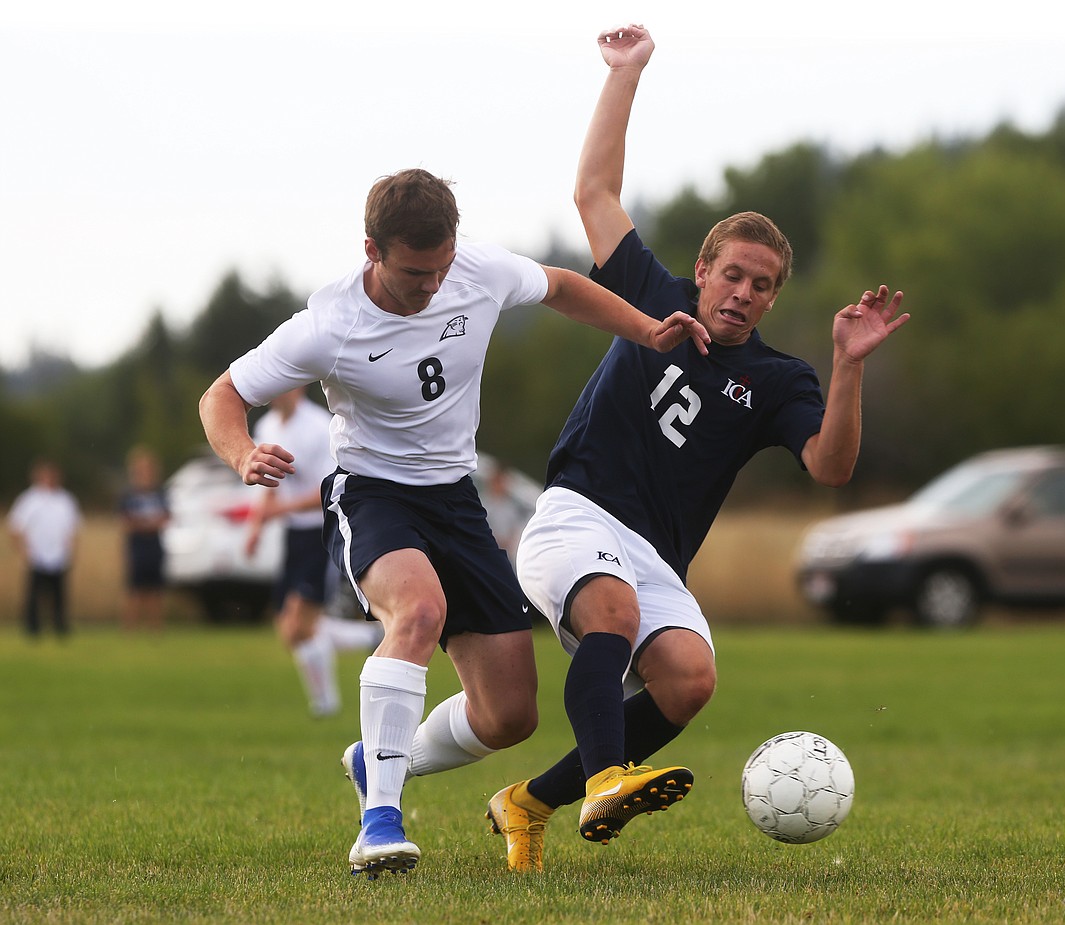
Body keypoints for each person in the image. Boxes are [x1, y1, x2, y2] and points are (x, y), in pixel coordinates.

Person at [198, 167, 710, 878]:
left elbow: (561, 285)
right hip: (373, 491)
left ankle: (377, 758)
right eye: (414, 273)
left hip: (455, 500)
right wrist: (243, 451)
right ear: (371, 249)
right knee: (419, 610)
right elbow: (223, 394)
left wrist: (648, 331)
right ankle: (378, 822)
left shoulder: (478, 271)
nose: (432, 286)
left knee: (508, 715)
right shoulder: (328, 324)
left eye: (440, 269)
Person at [486, 24, 910, 873]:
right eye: (733, 275)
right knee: (613, 612)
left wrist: (847, 365)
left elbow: (831, 466)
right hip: (574, 517)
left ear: (773, 295)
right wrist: (625, 73)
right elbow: (595, 192)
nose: (744, 293)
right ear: (703, 269)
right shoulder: (653, 294)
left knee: (687, 681)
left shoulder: (781, 379)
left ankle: (527, 802)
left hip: (655, 555)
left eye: (762, 284)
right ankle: (609, 774)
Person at [243, 386, 383, 717]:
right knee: (289, 627)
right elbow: (268, 486)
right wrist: (256, 527)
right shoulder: (266, 428)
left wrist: (281, 509)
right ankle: (369, 637)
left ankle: (326, 703)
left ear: (299, 387)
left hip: (320, 533)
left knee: (299, 624)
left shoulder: (320, 427)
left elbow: (327, 489)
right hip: (292, 535)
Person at [7, 460, 82, 638]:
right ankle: (32, 628)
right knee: (34, 594)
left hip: (59, 555)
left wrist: (71, 551)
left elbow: (73, 529)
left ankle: (60, 627)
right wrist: (23, 551)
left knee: (59, 595)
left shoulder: (66, 500)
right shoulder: (29, 500)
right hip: (36, 555)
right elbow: (15, 528)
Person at [119, 446, 170, 631]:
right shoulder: (128, 495)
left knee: (156, 589)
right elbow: (126, 522)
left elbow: (166, 518)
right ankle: (129, 628)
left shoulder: (160, 493)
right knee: (134, 589)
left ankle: (155, 627)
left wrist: (147, 523)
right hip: (137, 547)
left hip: (155, 545)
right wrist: (147, 523)